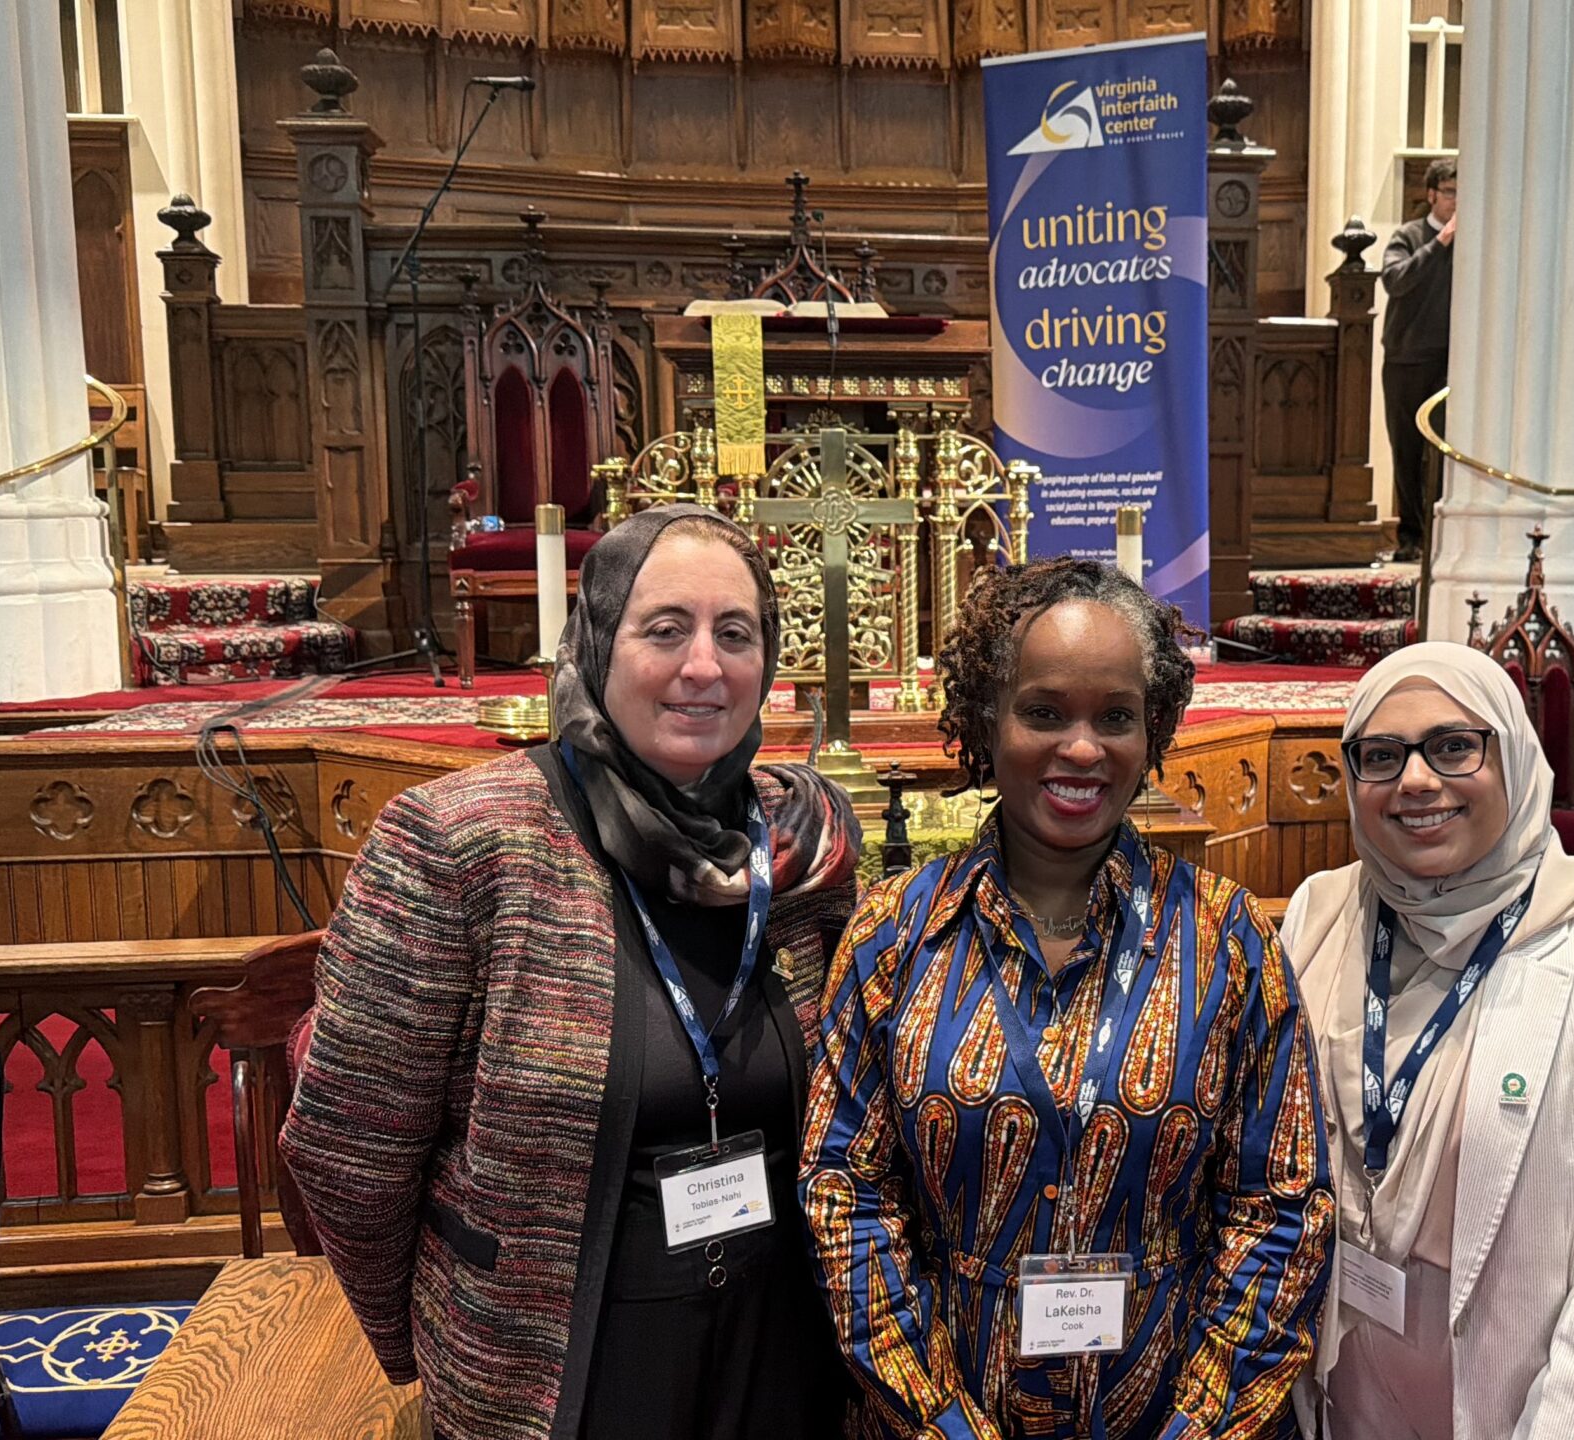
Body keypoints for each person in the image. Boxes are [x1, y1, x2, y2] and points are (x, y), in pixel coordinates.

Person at [281, 504, 863, 1440]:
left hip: (778, 1352)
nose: (704, 666)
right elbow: (347, 1153)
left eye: (735, 633)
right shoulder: (461, 843)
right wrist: (439, 1339)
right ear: (595, 644)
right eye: (663, 630)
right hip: (560, 1371)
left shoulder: (802, 853)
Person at [801, 557, 1336, 1440]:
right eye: (1044, 712)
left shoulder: (1227, 938)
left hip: (1169, 1405)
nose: (1083, 749)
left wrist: (1197, 1426)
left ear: (1154, 729)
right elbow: (845, 1194)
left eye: (1115, 717)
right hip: (940, 1406)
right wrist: (940, 1423)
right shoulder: (894, 935)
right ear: (987, 720)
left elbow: (1281, 1205)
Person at [1281, 642, 1574, 1440]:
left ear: (1514, 757)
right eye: (1381, 755)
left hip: (1544, 1409)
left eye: (1454, 746)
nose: (1416, 780)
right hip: (1351, 1394)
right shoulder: (1320, 916)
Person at [1380, 158, 1458, 565]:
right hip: (1407, 358)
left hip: (1452, 361)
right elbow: (1395, 280)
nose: (1456, 201)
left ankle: (1443, 538)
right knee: (1407, 451)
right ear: (1431, 195)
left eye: (1462, 194)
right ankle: (1410, 537)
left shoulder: (1473, 242)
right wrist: (1440, 242)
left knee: (1444, 451)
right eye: (1449, 192)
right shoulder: (1409, 236)